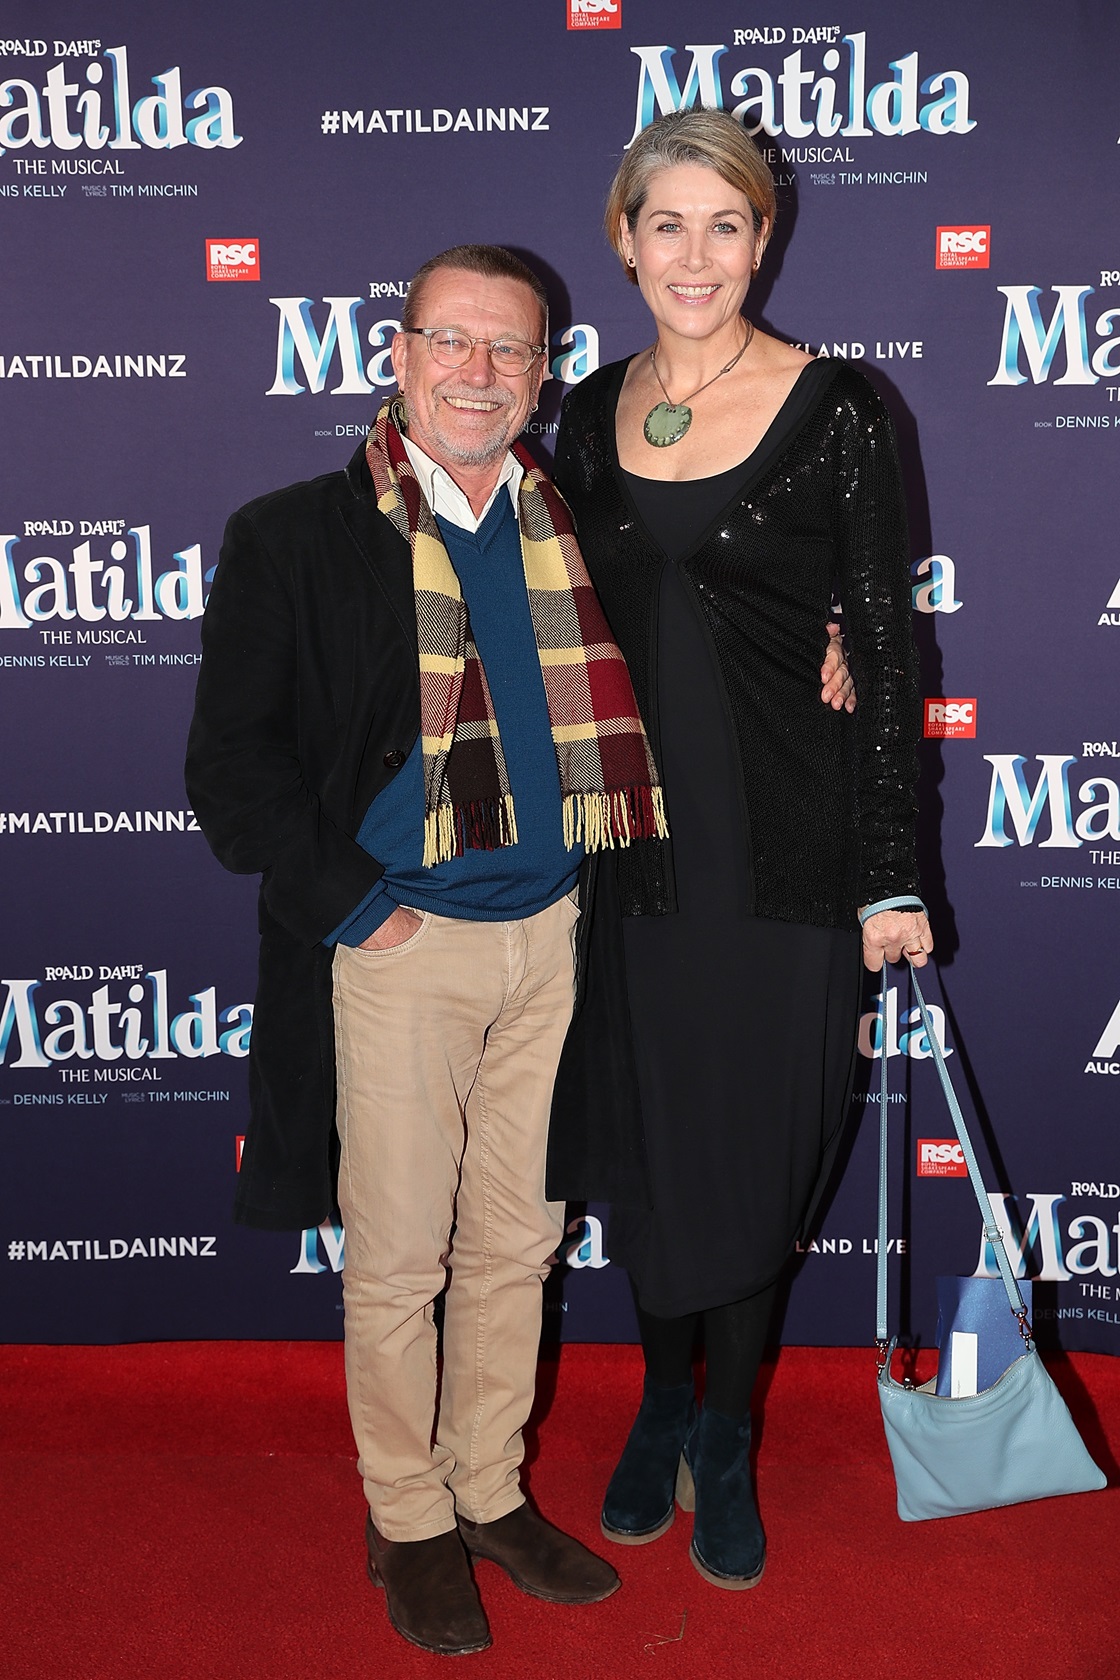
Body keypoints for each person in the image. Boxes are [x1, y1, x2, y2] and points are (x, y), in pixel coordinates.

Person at [185, 239, 852, 1656]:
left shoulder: (577, 526)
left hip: (557, 937)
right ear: (399, 350)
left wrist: (844, 625)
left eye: (511, 349)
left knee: (516, 1249)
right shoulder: (295, 534)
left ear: (546, 374)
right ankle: (408, 1517)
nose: (479, 372)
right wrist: (362, 905)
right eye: (452, 341)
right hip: (396, 948)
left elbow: (720, 613)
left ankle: (487, 1490)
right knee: (401, 1261)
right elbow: (231, 774)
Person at [545, 109, 932, 1593]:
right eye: (667, 224)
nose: (694, 254)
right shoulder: (584, 413)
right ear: (624, 238)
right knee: (649, 1142)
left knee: (760, 1154)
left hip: (791, 854)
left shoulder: (838, 406)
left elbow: (889, 654)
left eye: (727, 224)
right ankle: (657, 1407)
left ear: (762, 238)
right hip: (632, 856)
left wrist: (890, 874)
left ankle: (728, 1432)